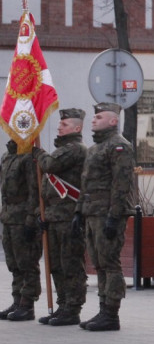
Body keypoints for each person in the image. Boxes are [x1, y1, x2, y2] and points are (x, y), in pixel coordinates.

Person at [75, 102, 136, 332]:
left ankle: (111, 312)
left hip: (108, 213)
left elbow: (122, 185)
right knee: (99, 263)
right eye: (94, 116)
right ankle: (102, 309)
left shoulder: (119, 146)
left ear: (113, 121)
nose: (94, 120)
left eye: (99, 117)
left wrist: (115, 216)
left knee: (110, 263)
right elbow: (85, 183)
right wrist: (79, 211)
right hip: (93, 212)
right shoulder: (94, 149)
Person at [33, 108, 88, 326]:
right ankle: (62, 304)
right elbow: (48, 184)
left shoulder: (74, 149)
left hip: (68, 216)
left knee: (70, 264)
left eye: (64, 125)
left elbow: (49, 165)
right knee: (55, 264)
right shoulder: (62, 149)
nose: (59, 127)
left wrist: (38, 153)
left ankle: (72, 308)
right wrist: (42, 212)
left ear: (76, 128)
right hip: (55, 216)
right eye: (60, 124)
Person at [0, 139, 42, 321]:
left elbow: (35, 191)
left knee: (27, 262)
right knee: (13, 262)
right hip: (9, 216)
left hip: (23, 216)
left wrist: (31, 219)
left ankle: (27, 303)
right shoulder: (7, 156)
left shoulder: (29, 156)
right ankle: (17, 300)